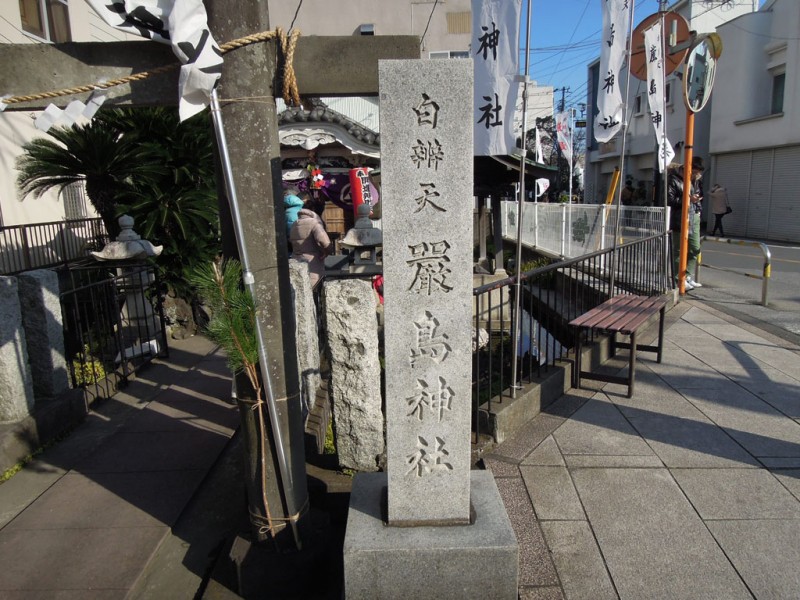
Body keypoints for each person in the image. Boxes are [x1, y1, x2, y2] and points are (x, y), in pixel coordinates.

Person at [667, 156, 704, 290]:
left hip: (694, 216)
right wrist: (687, 200)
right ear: (686, 168)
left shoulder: (697, 180)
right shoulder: (674, 179)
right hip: (679, 217)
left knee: (695, 248)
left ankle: (686, 276)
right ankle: (678, 279)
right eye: (694, 172)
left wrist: (698, 205)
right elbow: (669, 200)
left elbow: (700, 195)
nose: (696, 175)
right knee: (678, 249)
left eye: (698, 172)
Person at [290, 196, 333, 289]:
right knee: (314, 289)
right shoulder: (314, 223)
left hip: (297, 259)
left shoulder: (295, 223)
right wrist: (327, 251)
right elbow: (325, 241)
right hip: (313, 261)